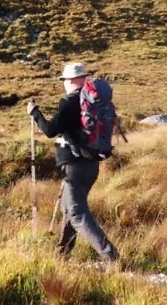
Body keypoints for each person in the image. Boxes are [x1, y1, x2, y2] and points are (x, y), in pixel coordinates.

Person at [27, 61, 120, 265]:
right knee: (69, 208)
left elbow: (50, 130)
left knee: (76, 213)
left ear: (71, 80)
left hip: (74, 167)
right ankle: (62, 255)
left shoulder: (70, 102)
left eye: (65, 80)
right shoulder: (92, 102)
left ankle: (111, 257)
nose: (64, 83)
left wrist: (35, 113)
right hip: (91, 164)